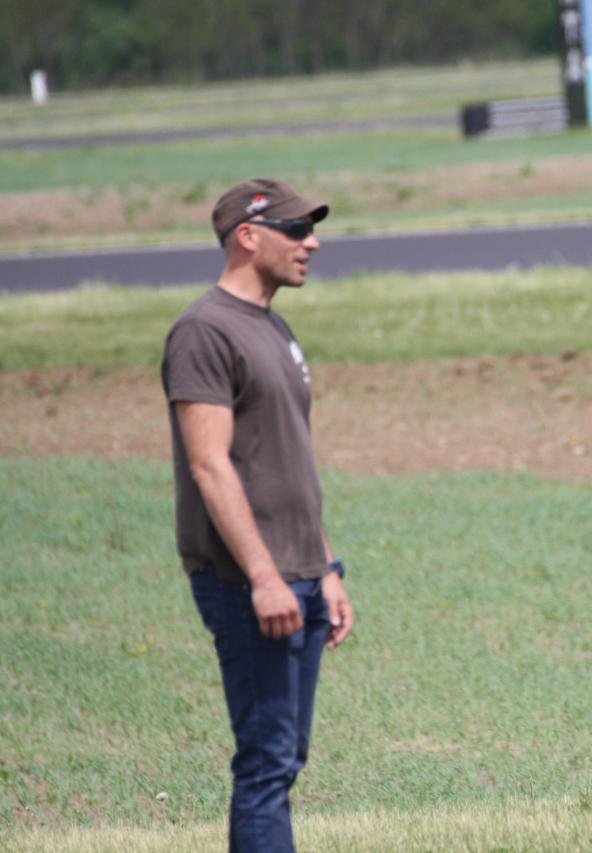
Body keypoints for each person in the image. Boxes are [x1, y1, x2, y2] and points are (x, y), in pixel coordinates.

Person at [161, 178, 354, 852]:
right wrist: (266, 577)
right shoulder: (203, 331)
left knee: (284, 756)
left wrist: (325, 566)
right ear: (248, 235)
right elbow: (209, 465)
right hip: (248, 580)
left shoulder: (272, 326)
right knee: (267, 763)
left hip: (300, 573)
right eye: (297, 229)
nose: (312, 243)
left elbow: (289, 460)